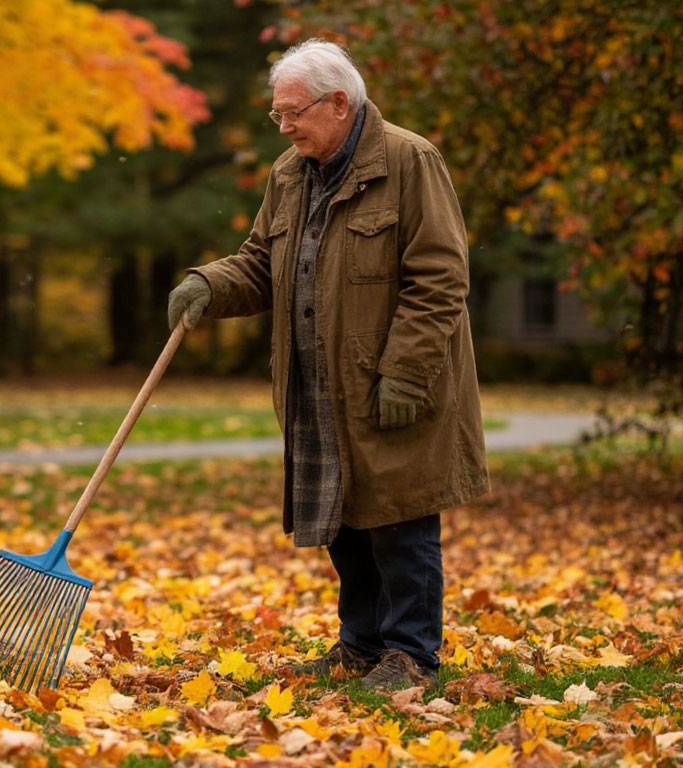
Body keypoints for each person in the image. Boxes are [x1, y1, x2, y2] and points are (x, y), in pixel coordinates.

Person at [167, 39, 490, 690]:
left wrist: (406, 371)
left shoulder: (409, 161)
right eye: (276, 116)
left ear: (339, 103)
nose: (284, 128)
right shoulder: (290, 174)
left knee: (400, 521)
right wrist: (208, 283)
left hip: (393, 384)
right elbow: (260, 263)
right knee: (345, 524)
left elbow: (441, 280)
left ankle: (411, 655)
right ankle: (361, 645)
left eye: (293, 113)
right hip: (317, 386)